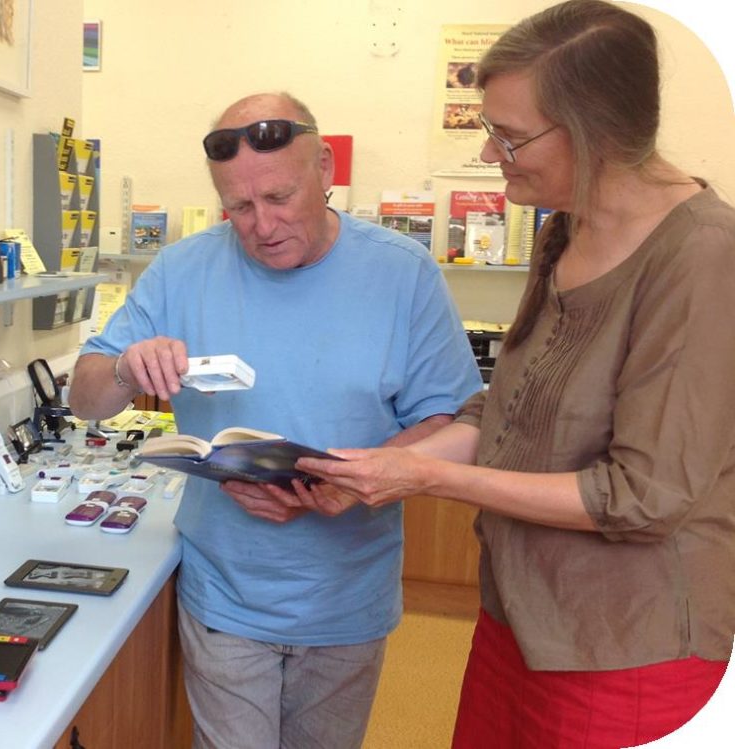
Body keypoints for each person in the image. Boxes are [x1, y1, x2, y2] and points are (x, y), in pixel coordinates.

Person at [294, 2, 735, 747]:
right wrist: (383, 465)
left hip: (625, 645)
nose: (492, 154)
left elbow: (641, 497)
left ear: (593, 130)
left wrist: (427, 479)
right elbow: (507, 408)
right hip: (520, 614)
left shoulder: (703, 257)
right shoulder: (566, 226)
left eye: (509, 135)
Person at [68, 92, 481, 748]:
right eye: (239, 207)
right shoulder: (182, 268)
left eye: (280, 197)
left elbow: (449, 414)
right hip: (226, 589)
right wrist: (123, 370)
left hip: (348, 595)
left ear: (324, 168)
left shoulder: (403, 274)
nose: (261, 224)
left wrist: (351, 478)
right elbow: (83, 397)